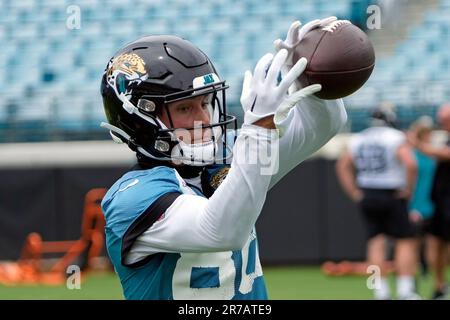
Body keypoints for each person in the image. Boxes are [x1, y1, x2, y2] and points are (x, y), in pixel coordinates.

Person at [99, 18, 347, 300]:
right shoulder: (131, 198)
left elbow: (321, 127)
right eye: (184, 107)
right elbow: (222, 231)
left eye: (205, 103)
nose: (204, 119)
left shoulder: (229, 153)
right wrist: (258, 133)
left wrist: (310, 70)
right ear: (141, 120)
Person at [336, 105, 419, 300]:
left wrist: (355, 192)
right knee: (405, 241)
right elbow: (410, 163)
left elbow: (343, 165)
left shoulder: (359, 137)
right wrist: (408, 189)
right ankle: (405, 291)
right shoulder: (395, 137)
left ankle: (380, 291)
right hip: (391, 192)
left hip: (368, 192)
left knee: (375, 242)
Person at [409, 104, 450, 299]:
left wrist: (417, 143)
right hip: (436, 203)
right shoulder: (440, 143)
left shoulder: (431, 149)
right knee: (432, 243)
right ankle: (437, 286)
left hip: (441, 203)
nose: (442, 123)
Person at [407, 117, 437, 277]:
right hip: (415, 203)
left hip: (430, 203)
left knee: (432, 242)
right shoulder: (411, 154)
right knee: (413, 243)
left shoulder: (431, 153)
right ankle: (411, 281)